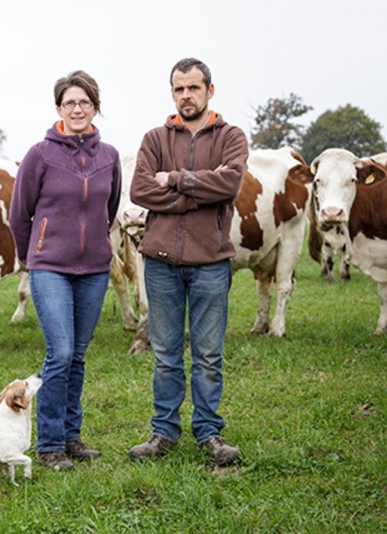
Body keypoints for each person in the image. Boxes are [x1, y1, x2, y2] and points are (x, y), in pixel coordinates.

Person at [128, 57, 248, 467]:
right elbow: (141, 189)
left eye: (193, 88)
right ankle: (163, 433)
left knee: (209, 355)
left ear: (209, 90)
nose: (186, 95)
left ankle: (209, 433)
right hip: (160, 262)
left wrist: (175, 179)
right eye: (179, 89)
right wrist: (200, 189)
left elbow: (230, 183)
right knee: (165, 354)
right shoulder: (155, 138)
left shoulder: (231, 136)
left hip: (211, 262)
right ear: (172, 92)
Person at [9, 70, 122, 471]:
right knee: (60, 353)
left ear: (95, 107)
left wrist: (99, 246)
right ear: (58, 108)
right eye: (70, 102)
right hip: (50, 267)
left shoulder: (109, 156)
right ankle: (49, 445)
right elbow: (19, 214)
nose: (77, 108)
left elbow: (109, 210)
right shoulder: (40, 154)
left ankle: (72, 437)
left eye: (85, 102)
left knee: (78, 356)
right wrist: (33, 256)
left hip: (93, 269)